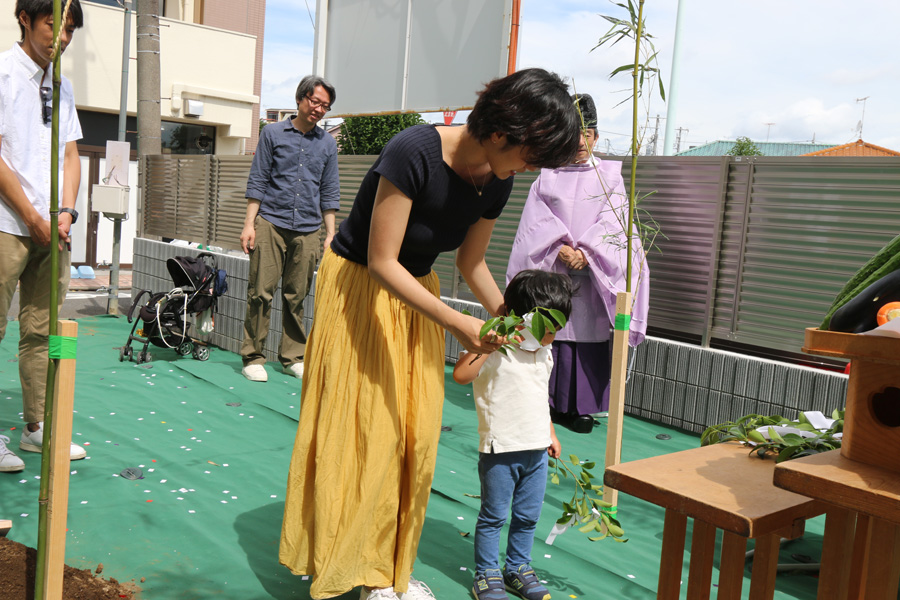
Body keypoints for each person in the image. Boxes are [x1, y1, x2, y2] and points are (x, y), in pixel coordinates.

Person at [279, 68, 581, 600]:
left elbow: (473, 263)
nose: (531, 168)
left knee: (413, 435)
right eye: (531, 153)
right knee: (369, 433)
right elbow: (380, 260)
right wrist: (460, 322)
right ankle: (363, 569)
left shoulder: (500, 179)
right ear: (501, 132)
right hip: (360, 292)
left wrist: (515, 323)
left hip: (418, 295)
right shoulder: (413, 151)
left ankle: (389, 566)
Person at [506, 93, 649, 434]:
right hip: (554, 265)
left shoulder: (611, 176)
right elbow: (535, 221)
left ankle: (583, 408)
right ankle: (548, 403)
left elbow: (617, 224)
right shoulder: (548, 175)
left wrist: (587, 252)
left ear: (597, 137)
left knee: (589, 332)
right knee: (553, 327)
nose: (581, 142)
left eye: (588, 134)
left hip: (593, 272)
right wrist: (558, 247)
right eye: (574, 135)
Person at [0, 0, 85, 473]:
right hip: (7, 224)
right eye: (55, 24)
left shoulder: (63, 85)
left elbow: (71, 156)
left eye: (70, 29)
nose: (62, 37)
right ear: (25, 19)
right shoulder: (3, 73)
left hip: (54, 229)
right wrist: (32, 215)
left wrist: (67, 212)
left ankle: (38, 428)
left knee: (43, 331)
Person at [453, 270, 571, 600]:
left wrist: (550, 433)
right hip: (500, 450)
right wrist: (488, 345)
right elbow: (462, 374)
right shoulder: (497, 348)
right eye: (547, 330)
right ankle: (487, 573)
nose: (552, 337)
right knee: (494, 516)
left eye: (556, 330)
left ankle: (517, 568)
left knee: (527, 516)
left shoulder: (545, 353)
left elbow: (539, 395)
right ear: (521, 319)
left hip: (536, 451)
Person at [239, 75, 339, 383]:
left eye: (325, 106)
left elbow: (329, 189)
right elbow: (258, 180)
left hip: (309, 229)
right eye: (315, 101)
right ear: (301, 99)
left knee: (298, 296)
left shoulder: (328, 143)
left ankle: (293, 356)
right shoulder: (271, 133)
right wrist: (249, 224)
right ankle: (253, 357)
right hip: (270, 222)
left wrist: (331, 233)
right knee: (260, 292)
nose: (319, 109)